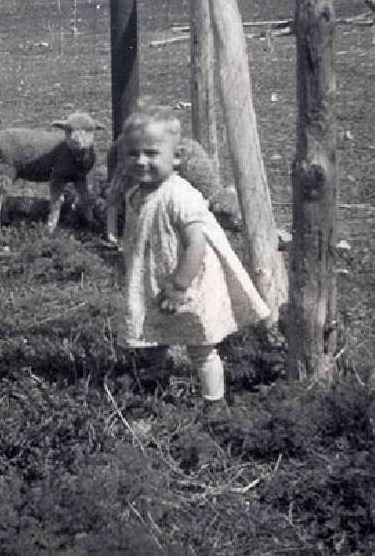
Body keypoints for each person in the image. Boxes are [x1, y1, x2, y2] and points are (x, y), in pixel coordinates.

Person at [116, 106, 272, 410]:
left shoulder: (179, 195)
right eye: (133, 154)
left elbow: (195, 244)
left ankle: (214, 404)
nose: (141, 161)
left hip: (186, 281)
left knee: (201, 346)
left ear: (175, 158)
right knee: (153, 335)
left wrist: (179, 285)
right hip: (156, 277)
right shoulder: (135, 192)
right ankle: (156, 382)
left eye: (151, 153)